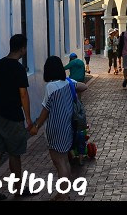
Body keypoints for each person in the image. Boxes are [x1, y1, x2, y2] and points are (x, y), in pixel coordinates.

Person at [29, 55, 89, 200]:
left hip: (55, 128)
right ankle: (64, 193)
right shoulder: (68, 83)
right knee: (65, 161)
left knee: (59, 162)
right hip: (68, 127)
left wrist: (36, 125)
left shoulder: (50, 86)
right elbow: (84, 86)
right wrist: (72, 84)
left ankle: (63, 195)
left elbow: (45, 110)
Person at [0, 34, 32, 199]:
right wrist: (28, 118)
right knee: (14, 153)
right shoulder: (18, 68)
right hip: (13, 116)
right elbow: (23, 94)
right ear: (22, 48)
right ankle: (18, 188)